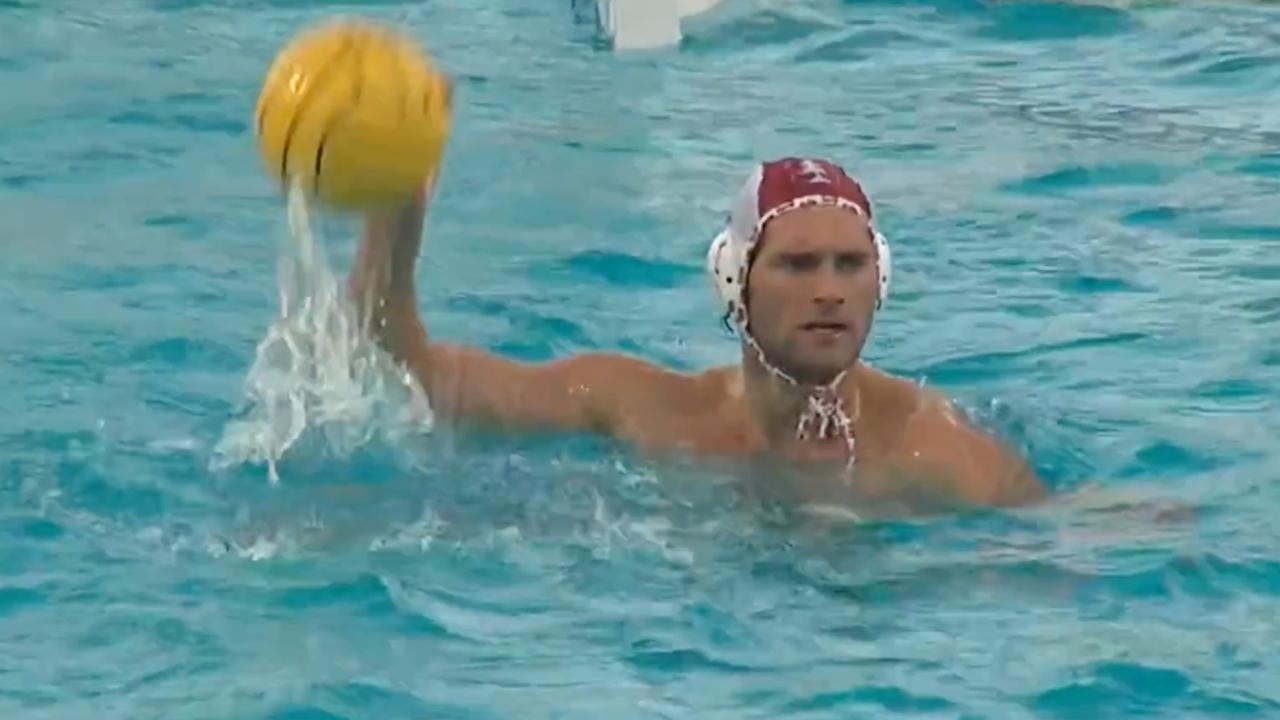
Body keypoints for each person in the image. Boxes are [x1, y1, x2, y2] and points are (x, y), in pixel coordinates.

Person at [348, 157, 1047, 510]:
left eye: (850, 264)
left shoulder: (946, 452)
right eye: (798, 264)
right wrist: (394, 218)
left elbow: (1066, 551)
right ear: (735, 280)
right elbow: (411, 366)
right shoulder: (636, 405)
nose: (830, 289)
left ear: (881, 279)